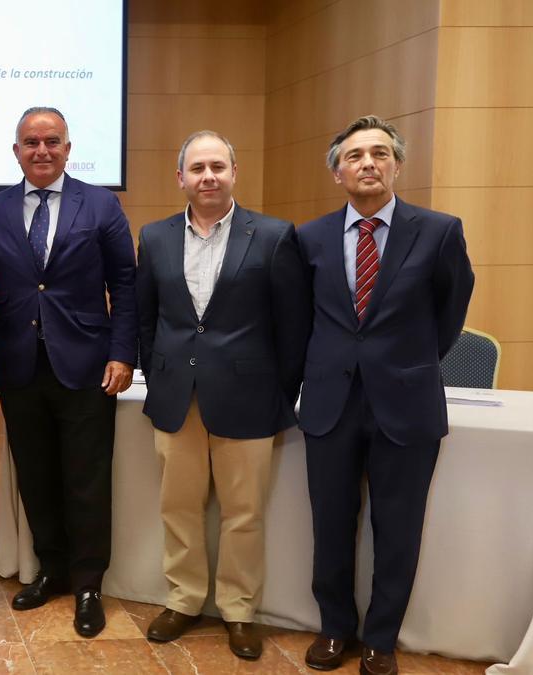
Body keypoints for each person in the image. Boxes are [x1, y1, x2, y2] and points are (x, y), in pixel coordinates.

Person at [297, 115, 474, 675]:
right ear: (337, 172)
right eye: (354, 156)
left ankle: (381, 638)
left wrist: (405, 362)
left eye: (378, 153)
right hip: (331, 403)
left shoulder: (440, 230)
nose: (367, 163)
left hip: (407, 401)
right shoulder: (309, 237)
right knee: (330, 522)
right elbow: (303, 319)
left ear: (397, 165)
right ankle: (334, 629)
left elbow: (450, 313)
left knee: (398, 527)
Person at [135, 131, 311, 659]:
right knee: (179, 508)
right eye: (197, 168)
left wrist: (279, 391)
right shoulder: (156, 236)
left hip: (250, 397)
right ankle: (184, 599)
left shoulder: (276, 236)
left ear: (234, 172)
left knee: (243, 512)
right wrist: (158, 372)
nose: (207, 176)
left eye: (217, 166)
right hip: (176, 395)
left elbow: (293, 326)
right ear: (181, 178)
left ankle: (238, 610)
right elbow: (147, 319)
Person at [0, 106, 138, 638]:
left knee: (87, 479)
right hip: (19, 364)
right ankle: (53, 569)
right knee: (36, 477)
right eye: (31, 142)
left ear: (68, 147)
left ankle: (89, 584)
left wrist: (122, 352)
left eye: (52, 141)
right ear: (15, 150)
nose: (42, 150)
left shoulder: (101, 203)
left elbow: (126, 284)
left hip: (87, 365)